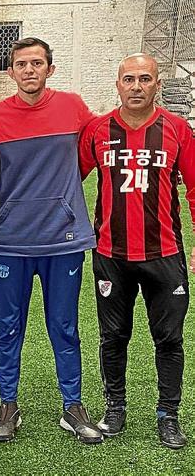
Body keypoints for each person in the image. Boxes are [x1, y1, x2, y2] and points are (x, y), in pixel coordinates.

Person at [0, 37, 103, 444]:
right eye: (21, 64)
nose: (29, 70)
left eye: (37, 63)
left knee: (64, 326)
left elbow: (90, 153)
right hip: (12, 240)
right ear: (10, 71)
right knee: (8, 327)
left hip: (64, 240)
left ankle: (73, 406)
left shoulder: (73, 107)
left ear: (51, 68)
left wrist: (61, 199)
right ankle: (8, 405)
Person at [79, 53, 195, 449]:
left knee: (170, 339)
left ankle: (168, 415)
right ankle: (114, 407)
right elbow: (68, 180)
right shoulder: (97, 130)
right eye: (128, 79)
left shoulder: (177, 129)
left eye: (145, 79)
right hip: (112, 255)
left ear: (157, 85)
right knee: (113, 336)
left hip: (165, 255)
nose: (136, 86)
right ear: (117, 85)